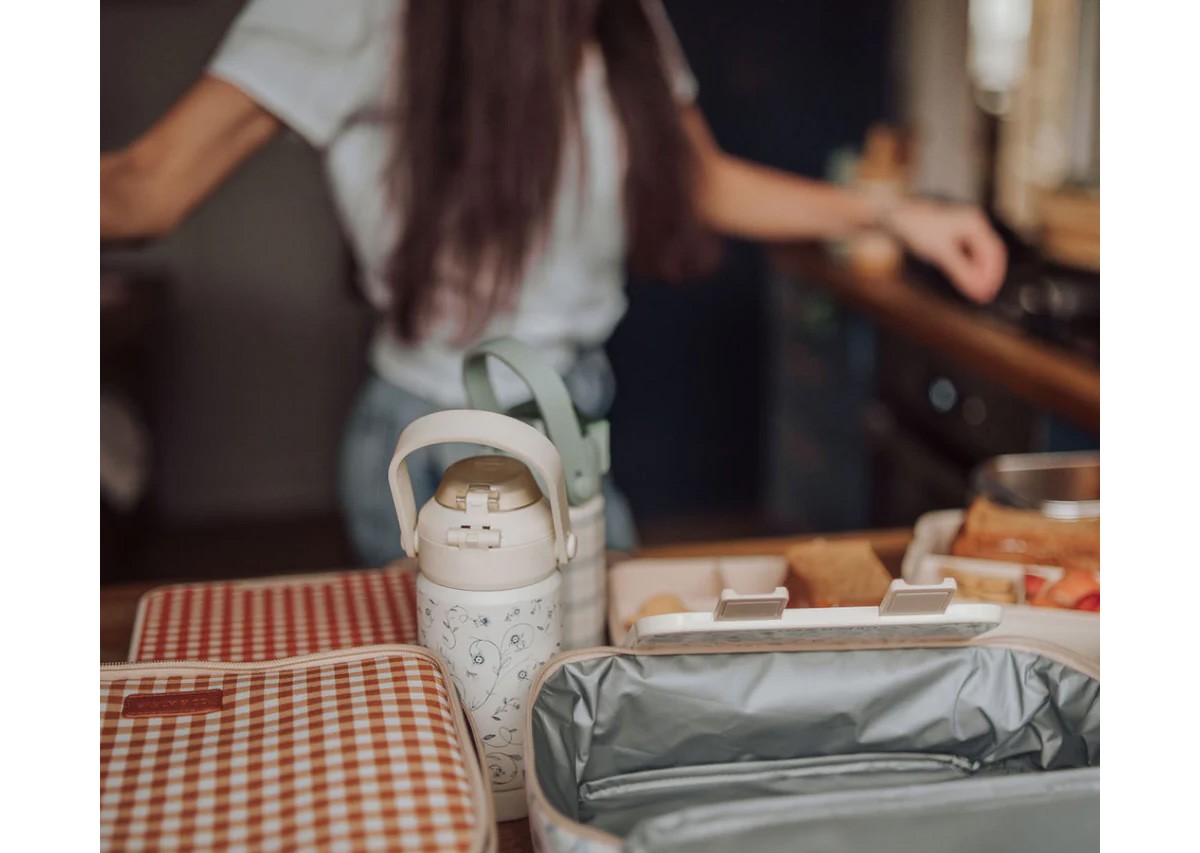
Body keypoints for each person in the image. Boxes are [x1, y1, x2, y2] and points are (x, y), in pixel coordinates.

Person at [100, 0, 1006, 566]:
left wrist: (895, 214)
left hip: (574, 428)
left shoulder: (623, 16)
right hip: (448, 442)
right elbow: (142, 189)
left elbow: (700, 178)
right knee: (486, 757)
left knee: (577, 721)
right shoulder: (355, 11)